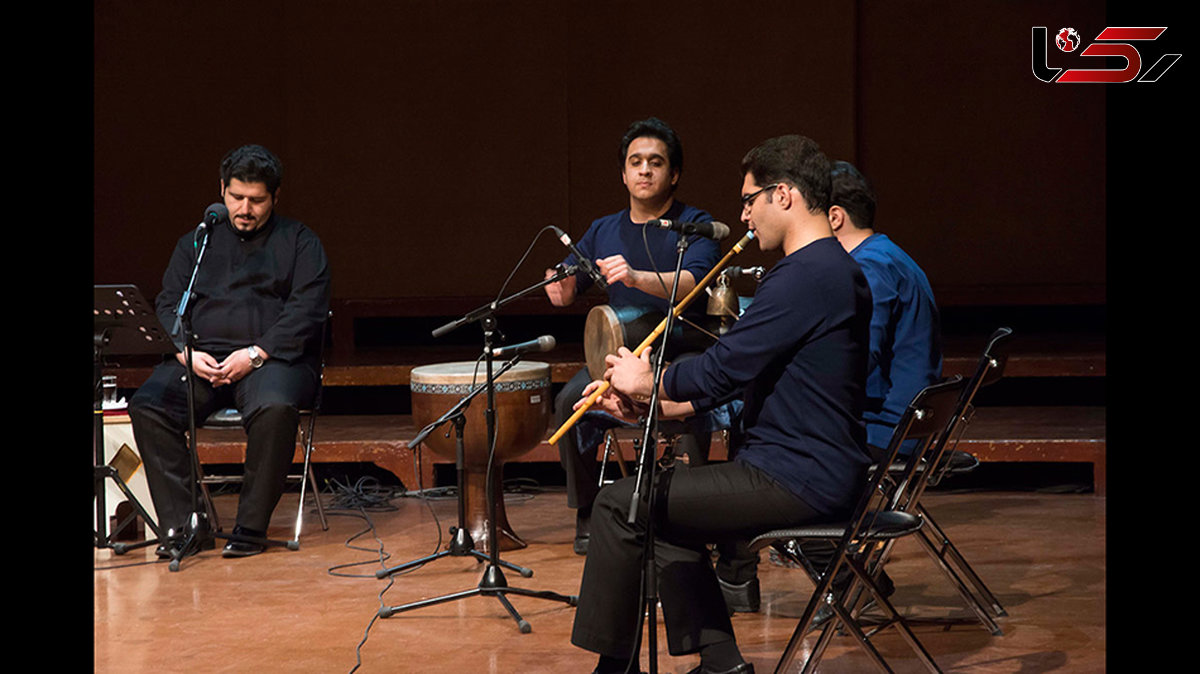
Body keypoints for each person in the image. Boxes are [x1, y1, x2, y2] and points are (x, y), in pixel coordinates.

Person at [569, 135, 872, 674]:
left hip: (796, 477)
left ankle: (614, 668)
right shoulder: (826, 271)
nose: (745, 213)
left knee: (622, 503)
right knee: (656, 506)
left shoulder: (807, 276)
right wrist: (645, 407)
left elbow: (719, 369)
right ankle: (720, 662)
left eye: (750, 199)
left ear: (783, 196)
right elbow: (733, 378)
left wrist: (646, 380)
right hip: (805, 469)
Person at [128, 144, 331, 559]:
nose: (244, 208)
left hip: (270, 360)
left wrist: (255, 354)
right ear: (221, 190)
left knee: (275, 408)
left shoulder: (299, 242)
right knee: (149, 406)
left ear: (275, 197)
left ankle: (250, 528)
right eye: (236, 197)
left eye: (256, 200)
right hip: (202, 359)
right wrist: (185, 351)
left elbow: (307, 311)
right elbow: (168, 303)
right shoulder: (197, 243)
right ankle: (186, 526)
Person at [544, 117, 720, 555]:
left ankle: (692, 519)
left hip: (681, 348)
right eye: (635, 162)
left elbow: (694, 284)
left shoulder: (695, 225)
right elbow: (566, 288)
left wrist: (638, 277)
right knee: (571, 403)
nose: (644, 170)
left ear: (673, 174)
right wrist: (558, 284)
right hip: (622, 356)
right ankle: (588, 512)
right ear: (623, 174)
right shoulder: (603, 229)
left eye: (655, 163)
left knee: (693, 404)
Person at [828, 160, 942, 461]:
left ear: (834, 217)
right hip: (899, 423)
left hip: (884, 429)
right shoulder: (885, 255)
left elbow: (860, 356)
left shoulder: (870, 265)